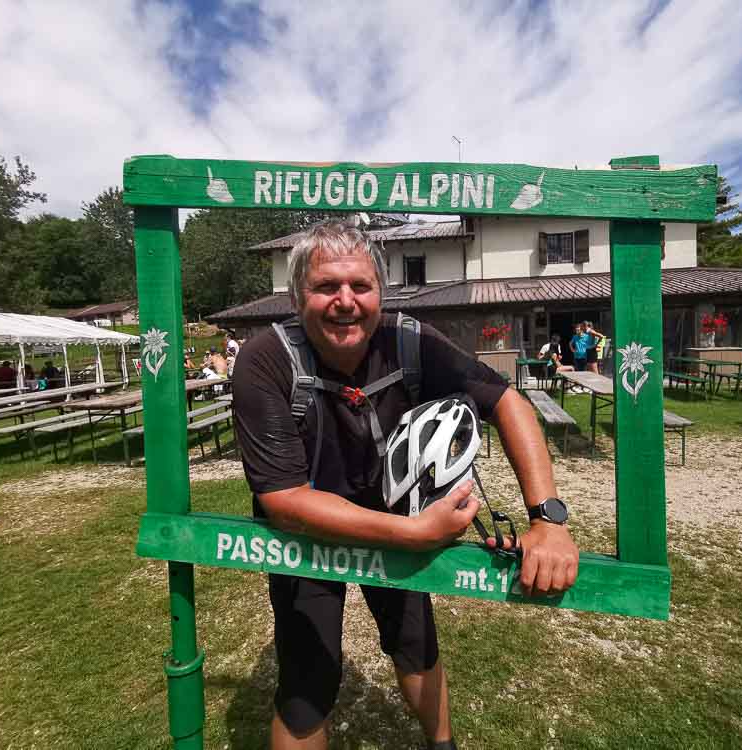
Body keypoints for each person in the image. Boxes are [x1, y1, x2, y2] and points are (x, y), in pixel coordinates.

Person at [234, 222, 579, 750]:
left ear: (382, 292)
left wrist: (547, 519)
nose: (344, 301)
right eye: (326, 287)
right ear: (297, 295)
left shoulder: (411, 341)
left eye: (360, 286)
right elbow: (284, 502)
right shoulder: (266, 359)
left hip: (394, 512)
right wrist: (414, 534)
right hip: (307, 532)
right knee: (307, 682)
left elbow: (507, 402)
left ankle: (442, 747)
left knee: (416, 646)